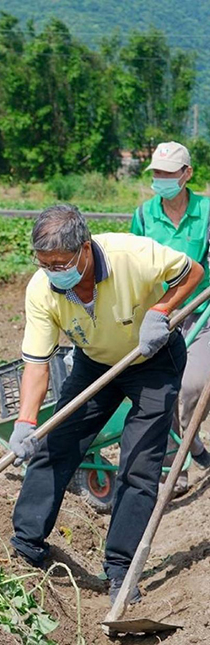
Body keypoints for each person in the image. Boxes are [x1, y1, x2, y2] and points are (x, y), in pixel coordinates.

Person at [9, 204, 203, 606]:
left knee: (138, 465)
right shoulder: (42, 289)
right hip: (94, 362)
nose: (52, 270)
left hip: (153, 360)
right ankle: (26, 545)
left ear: (84, 248)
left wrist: (160, 310)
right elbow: (37, 365)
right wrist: (26, 422)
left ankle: (121, 569)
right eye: (43, 262)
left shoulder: (133, 256)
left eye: (60, 262)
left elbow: (193, 273)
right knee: (54, 445)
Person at [131, 141, 210, 495]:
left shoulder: (206, 211)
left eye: (167, 173)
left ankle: (188, 444)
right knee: (159, 392)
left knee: (190, 388)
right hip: (162, 313)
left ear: (186, 174)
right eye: (156, 173)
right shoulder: (145, 215)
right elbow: (132, 264)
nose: (160, 179)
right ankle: (180, 465)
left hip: (202, 312)